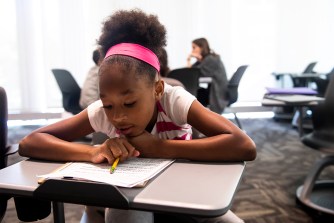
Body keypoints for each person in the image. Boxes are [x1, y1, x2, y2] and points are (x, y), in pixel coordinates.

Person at [19, 9, 256, 223]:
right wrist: (94, 151)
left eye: (130, 103)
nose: (118, 116)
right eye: (108, 104)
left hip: (184, 193)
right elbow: (30, 142)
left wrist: (160, 148)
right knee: (123, 214)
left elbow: (243, 145)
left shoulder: (173, 100)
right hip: (131, 197)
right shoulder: (103, 112)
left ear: (157, 89)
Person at [187, 38, 228, 114]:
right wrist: (197, 60)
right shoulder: (207, 59)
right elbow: (191, 72)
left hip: (218, 94)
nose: (192, 50)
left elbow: (192, 74)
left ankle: (195, 121)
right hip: (214, 91)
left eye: (194, 47)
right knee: (193, 93)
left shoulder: (211, 59)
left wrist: (189, 60)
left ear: (201, 48)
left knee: (190, 95)